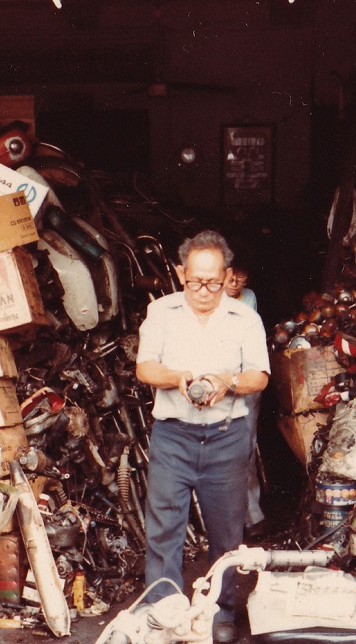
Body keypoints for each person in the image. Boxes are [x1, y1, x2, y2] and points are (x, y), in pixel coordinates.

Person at [136, 230, 270, 643]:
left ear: (227, 276)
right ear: (181, 274)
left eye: (213, 282)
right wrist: (178, 378)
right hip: (172, 437)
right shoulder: (160, 313)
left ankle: (220, 614)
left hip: (225, 438)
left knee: (227, 534)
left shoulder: (245, 317)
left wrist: (227, 382)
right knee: (164, 530)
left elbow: (260, 376)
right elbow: (144, 369)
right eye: (195, 282)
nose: (204, 291)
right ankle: (162, 613)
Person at [224, 264, 268, 537]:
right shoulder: (211, 298)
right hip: (218, 382)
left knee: (245, 448)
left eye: (242, 276)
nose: (236, 282)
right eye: (232, 275)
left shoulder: (248, 298)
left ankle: (251, 517)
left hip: (245, 382)